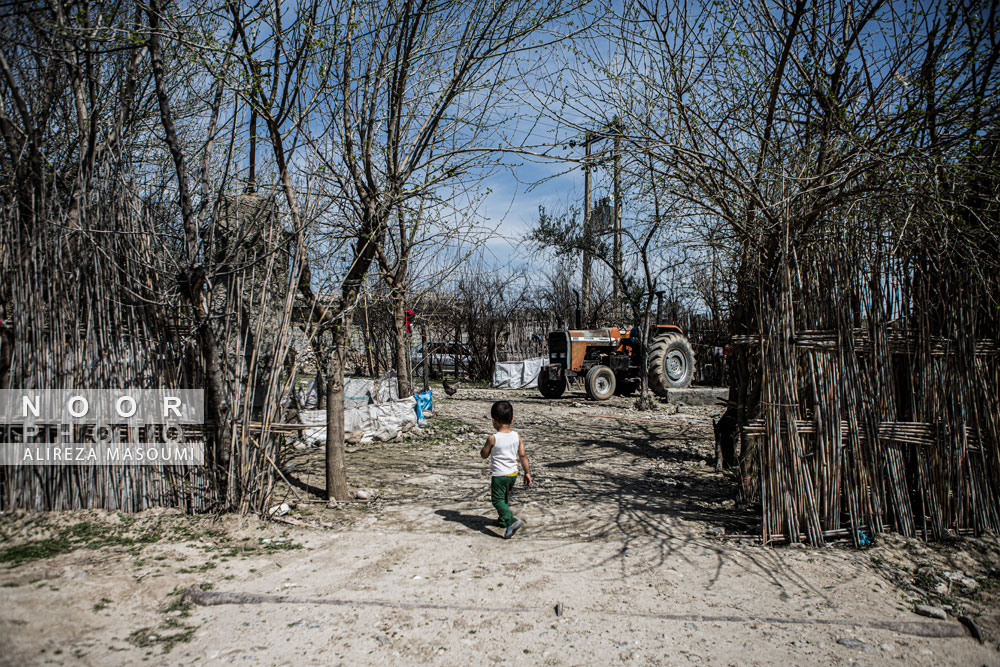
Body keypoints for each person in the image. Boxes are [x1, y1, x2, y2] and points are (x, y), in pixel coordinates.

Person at [480, 400, 532, 538]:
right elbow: (523, 455)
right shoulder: (517, 436)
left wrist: (486, 448)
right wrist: (527, 472)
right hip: (513, 474)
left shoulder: (493, 438)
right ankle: (503, 520)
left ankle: (511, 521)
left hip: (499, 475)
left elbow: (484, 455)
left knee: (497, 500)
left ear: (493, 421)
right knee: (504, 498)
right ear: (512, 419)